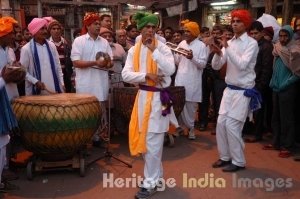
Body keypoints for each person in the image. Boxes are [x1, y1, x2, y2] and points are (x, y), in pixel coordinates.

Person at [122, 12, 175, 198]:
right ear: (141, 29)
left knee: (153, 142)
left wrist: (155, 52)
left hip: (160, 100)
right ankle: (157, 176)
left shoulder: (163, 48)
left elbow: (170, 70)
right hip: (142, 98)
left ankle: (151, 183)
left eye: (154, 27)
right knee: (146, 141)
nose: (150, 30)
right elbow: (125, 75)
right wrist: (146, 76)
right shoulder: (133, 50)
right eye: (147, 27)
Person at [210, 9, 259, 172]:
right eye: (233, 21)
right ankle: (225, 157)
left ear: (245, 24)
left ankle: (239, 161)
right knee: (221, 123)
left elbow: (243, 65)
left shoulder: (251, 44)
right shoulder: (229, 43)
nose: (235, 24)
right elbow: (216, 66)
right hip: (229, 90)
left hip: (242, 91)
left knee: (232, 125)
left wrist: (226, 47)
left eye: (238, 21)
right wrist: (217, 54)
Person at [71, 13, 113, 146]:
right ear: (87, 25)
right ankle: (84, 139)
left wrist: (107, 63)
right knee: (84, 113)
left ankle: (99, 138)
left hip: (101, 84)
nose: (98, 26)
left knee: (100, 113)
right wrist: (96, 63)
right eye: (95, 24)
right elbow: (76, 63)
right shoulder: (79, 41)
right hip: (85, 85)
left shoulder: (104, 41)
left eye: (99, 24)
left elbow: (110, 62)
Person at [265, 25, 300, 158]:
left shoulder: (295, 51)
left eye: (285, 36)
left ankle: (287, 145)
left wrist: (285, 84)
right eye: (281, 36)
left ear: (290, 36)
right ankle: (276, 142)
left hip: (287, 89)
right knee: (275, 117)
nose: (283, 38)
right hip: (275, 87)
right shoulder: (277, 48)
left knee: (287, 118)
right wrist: (273, 83)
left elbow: (297, 73)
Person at [0, 16, 26, 191]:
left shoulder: (4, 50)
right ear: (3, 35)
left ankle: (5, 168)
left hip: (6, 96)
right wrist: (5, 77)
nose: (14, 37)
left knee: (6, 137)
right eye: (12, 33)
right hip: (2, 97)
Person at [175, 19, 208, 140]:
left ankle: (191, 128)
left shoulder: (201, 46)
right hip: (180, 79)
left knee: (190, 107)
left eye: (188, 31)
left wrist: (192, 58)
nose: (185, 33)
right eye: (185, 31)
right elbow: (177, 62)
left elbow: (203, 65)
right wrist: (176, 54)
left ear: (194, 32)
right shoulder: (182, 43)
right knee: (179, 104)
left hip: (193, 80)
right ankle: (179, 128)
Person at [20, 17, 64, 95]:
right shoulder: (26, 49)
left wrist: (62, 83)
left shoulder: (51, 45)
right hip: (35, 91)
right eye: (41, 29)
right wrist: (35, 81)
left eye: (45, 28)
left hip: (54, 88)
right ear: (35, 31)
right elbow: (23, 71)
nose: (45, 31)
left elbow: (58, 66)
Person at [245, 21, 273, 143]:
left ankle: (258, 134)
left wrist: (261, 85)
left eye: (256, 33)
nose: (253, 35)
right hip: (251, 81)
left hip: (260, 84)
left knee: (259, 110)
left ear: (262, 33)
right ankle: (252, 131)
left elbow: (266, 68)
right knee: (251, 109)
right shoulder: (252, 45)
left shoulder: (266, 46)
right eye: (251, 33)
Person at [48, 20, 74, 92]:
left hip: (66, 74)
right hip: (53, 75)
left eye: (58, 29)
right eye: (54, 29)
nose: (56, 31)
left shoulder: (67, 43)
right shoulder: (47, 44)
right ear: (50, 31)